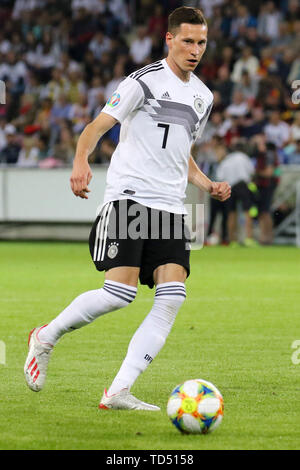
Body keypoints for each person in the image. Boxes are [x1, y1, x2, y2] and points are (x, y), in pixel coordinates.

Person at [24, 6, 231, 411]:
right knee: (120, 293)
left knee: (172, 298)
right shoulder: (142, 82)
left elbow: (180, 150)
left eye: (201, 42)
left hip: (171, 208)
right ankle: (46, 336)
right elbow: (95, 128)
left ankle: (118, 390)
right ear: (168, 39)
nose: (195, 50)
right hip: (131, 197)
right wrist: (81, 160)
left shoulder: (203, 96)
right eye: (187, 41)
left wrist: (207, 184)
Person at [216, 140, 255, 247]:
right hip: (242, 185)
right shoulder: (244, 157)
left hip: (230, 186)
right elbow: (251, 172)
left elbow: (220, 176)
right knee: (247, 212)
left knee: (231, 213)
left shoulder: (227, 160)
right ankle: (248, 238)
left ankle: (232, 240)